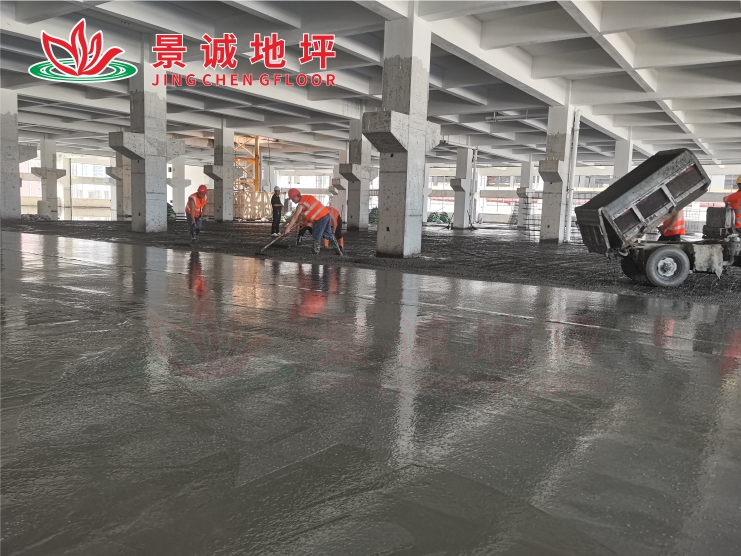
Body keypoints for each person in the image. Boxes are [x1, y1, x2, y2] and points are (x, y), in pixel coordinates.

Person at [282, 188, 343, 255]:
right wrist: (303, 224)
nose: (292, 201)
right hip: (326, 215)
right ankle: (338, 250)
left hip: (320, 218)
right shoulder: (308, 197)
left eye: (292, 199)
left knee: (316, 235)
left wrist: (288, 228)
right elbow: (307, 213)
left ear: (297, 196)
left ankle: (315, 252)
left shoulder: (300, 205)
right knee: (328, 234)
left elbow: (294, 218)